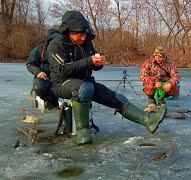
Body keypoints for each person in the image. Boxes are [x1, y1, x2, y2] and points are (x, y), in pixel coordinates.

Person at [46, 10, 167, 145]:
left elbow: (92, 63)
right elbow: (62, 70)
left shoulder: (87, 43)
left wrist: (98, 64)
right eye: (78, 34)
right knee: (84, 89)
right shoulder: (56, 45)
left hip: (86, 82)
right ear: (67, 31)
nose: (83, 38)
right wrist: (89, 61)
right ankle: (83, 132)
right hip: (62, 83)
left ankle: (148, 120)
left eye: (84, 34)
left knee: (117, 98)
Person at [140, 46, 180, 112]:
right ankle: (151, 101)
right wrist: (154, 82)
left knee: (171, 88)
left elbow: (176, 76)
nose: (159, 59)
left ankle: (161, 101)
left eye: (161, 57)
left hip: (164, 84)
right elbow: (142, 76)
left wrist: (170, 83)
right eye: (157, 56)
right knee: (149, 85)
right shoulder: (148, 63)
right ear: (154, 55)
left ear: (164, 57)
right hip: (153, 84)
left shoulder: (170, 63)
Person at [26, 29, 60, 109]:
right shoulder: (39, 50)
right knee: (39, 87)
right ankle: (47, 100)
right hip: (45, 78)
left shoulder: (65, 49)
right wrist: (38, 72)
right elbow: (30, 64)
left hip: (60, 78)